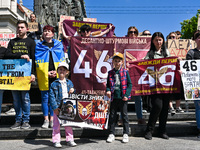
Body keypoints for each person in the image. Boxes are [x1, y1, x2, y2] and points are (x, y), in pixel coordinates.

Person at [6, 20, 36, 129]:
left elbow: (34, 58)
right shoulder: (12, 42)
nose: (19, 29)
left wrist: (33, 74)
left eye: (22, 27)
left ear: (27, 29)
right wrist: (20, 55)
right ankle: (18, 120)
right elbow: (7, 55)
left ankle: (26, 121)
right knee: (15, 99)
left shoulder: (31, 42)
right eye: (18, 27)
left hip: (26, 75)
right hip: (14, 75)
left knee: (25, 98)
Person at [35, 25, 65, 129]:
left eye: (49, 31)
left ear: (53, 34)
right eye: (45, 31)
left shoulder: (58, 45)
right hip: (45, 75)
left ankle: (53, 119)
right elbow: (37, 62)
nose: (47, 33)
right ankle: (45, 120)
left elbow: (62, 60)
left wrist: (56, 72)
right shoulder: (39, 46)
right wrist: (45, 72)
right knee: (45, 98)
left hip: (56, 74)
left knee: (54, 98)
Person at [144, 32, 171, 140]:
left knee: (165, 108)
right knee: (157, 106)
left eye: (160, 40)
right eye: (156, 40)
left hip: (166, 85)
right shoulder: (150, 54)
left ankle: (162, 131)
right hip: (155, 86)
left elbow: (172, 64)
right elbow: (142, 65)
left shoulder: (166, 52)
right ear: (152, 41)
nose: (158, 42)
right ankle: (149, 130)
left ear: (163, 41)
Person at [106, 52, 132, 143]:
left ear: (122, 62)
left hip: (122, 98)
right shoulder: (110, 73)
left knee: (124, 115)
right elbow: (108, 85)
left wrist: (126, 95)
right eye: (115, 61)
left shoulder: (125, 72)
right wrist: (108, 90)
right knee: (112, 115)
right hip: (113, 98)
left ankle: (125, 133)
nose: (117, 63)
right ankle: (111, 133)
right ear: (113, 62)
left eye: (119, 61)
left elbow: (129, 84)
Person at [49, 62, 76, 148]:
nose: (62, 71)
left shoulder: (69, 83)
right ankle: (56, 140)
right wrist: (55, 107)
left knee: (68, 124)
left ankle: (70, 139)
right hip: (58, 106)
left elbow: (73, 95)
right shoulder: (54, 84)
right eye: (60, 69)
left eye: (64, 70)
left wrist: (73, 91)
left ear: (67, 72)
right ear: (57, 71)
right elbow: (51, 96)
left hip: (68, 106)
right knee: (56, 124)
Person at [126, 26, 146, 125]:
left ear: (137, 34)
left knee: (138, 96)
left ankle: (140, 117)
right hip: (126, 72)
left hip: (137, 73)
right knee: (125, 95)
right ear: (128, 34)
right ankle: (122, 118)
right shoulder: (123, 44)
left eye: (134, 32)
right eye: (130, 32)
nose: (132, 34)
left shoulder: (141, 46)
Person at [186, 30, 200, 138]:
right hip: (196, 85)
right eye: (198, 37)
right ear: (195, 40)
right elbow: (188, 69)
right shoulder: (191, 53)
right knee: (198, 107)